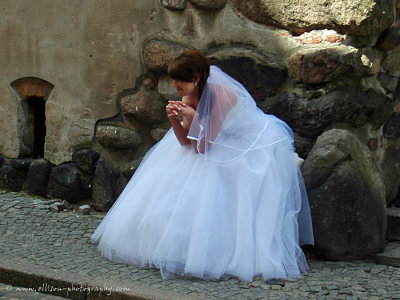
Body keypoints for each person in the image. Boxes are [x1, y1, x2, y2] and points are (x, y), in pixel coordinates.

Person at [91, 49, 314, 282]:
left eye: (179, 80)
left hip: (241, 140)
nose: (174, 85)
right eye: (173, 79)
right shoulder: (189, 96)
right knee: (176, 179)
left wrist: (192, 116)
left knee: (219, 179)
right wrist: (174, 120)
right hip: (207, 140)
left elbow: (205, 147)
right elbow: (187, 143)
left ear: (196, 79)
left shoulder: (223, 95)